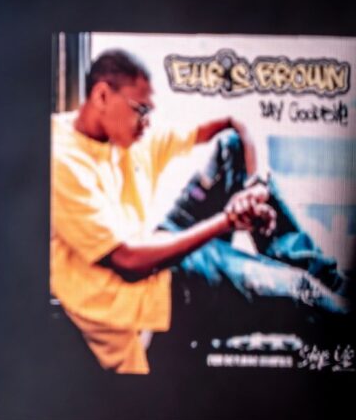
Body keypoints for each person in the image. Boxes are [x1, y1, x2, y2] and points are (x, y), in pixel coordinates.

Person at [51, 50, 347, 375]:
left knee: (230, 149)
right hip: (141, 304)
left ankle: (337, 288)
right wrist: (226, 222)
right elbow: (129, 262)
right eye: (141, 110)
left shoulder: (120, 133)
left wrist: (253, 188)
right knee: (303, 295)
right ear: (102, 95)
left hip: (153, 249)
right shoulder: (62, 160)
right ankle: (332, 302)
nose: (147, 123)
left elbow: (234, 127)